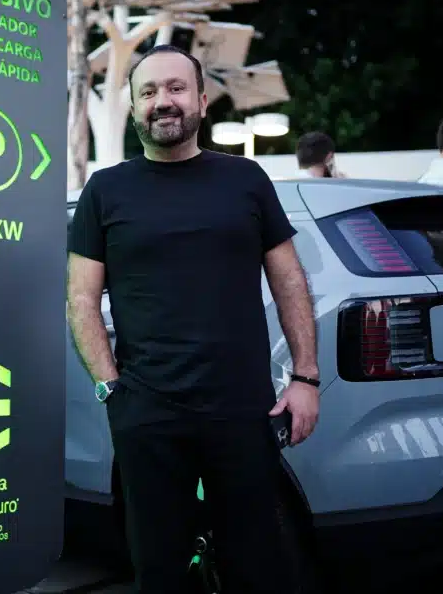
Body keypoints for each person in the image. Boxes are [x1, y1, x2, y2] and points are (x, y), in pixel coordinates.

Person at [67, 44, 320, 594]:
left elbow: (290, 280)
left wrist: (305, 377)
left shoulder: (246, 179)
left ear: (203, 101)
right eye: (148, 92)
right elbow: (81, 299)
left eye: (176, 88)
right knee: (159, 572)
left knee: (257, 568)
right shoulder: (105, 190)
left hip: (244, 413)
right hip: (147, 416)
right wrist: (111, 389)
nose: (163, 101)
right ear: (135, 108)